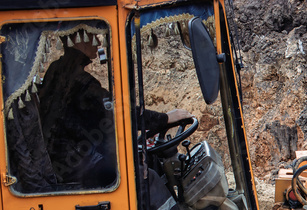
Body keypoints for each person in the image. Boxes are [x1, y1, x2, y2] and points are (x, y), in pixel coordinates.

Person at [35, 30, 192, 190]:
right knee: (146, 178)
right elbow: (120, 113)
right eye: (93, 36)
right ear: (78, 39)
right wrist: (165, 118)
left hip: (66, 159)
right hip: (76, 166)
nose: (97, 41)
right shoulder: (80, 83)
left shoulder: (58, 69)